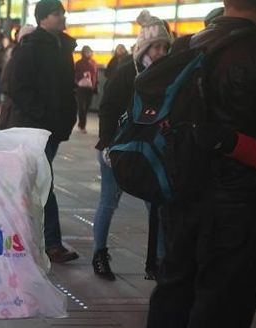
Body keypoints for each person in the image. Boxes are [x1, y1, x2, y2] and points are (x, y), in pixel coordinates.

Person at [133, 2, 256, 328]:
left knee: (175, 288)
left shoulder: (192, 43)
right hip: (238, 200)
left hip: (183, 190)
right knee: (220, 305)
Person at [92, 11, 172, 281]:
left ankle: (158, 260)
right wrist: (106, 145)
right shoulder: (128, 72)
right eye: (156, 46)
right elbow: (107, 108)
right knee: (108, 201)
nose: (161, 52)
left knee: (156, 204)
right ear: (144, 48)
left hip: (151, 150)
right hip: (118, 149)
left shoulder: (169, 74)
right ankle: (99, 254)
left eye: (164, 46)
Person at [8, 0, 78, 263]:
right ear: (43, 18)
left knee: (37, 183)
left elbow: (66, 88)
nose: (62, 17)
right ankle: (51, 242)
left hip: (54, 128)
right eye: (56, 13)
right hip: (35, 128)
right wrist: (41, 115)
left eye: (62, 12)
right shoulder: (30, 48)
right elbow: (17, 87)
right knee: (44, 184)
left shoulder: (63, 47)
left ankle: (27, 236)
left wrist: (66, 119)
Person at [0, 25, 35, 130]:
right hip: (17, 112)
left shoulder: (18, 53)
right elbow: (5, 84)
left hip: (24, 114)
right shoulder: (16, 54)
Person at [74, 45, 98, 134]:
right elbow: (75, 73)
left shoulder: (93, 63)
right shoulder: (79, 63)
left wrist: (95, 85)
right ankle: (83, 126)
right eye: (86, 51)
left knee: (87, 106)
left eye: (89, 51)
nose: (88, 53)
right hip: (81, 88)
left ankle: (81, 123)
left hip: (90, 88)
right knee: (82, 107)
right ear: (83, 53)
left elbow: (95, 75)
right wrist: (82, 76)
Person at [0, 35, 12, 105]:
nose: (4, 43)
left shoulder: (11, 51)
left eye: (6, 42)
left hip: (8, 71)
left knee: (7, 85)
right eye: (3, 42)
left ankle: (6, 100)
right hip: (0, 71)